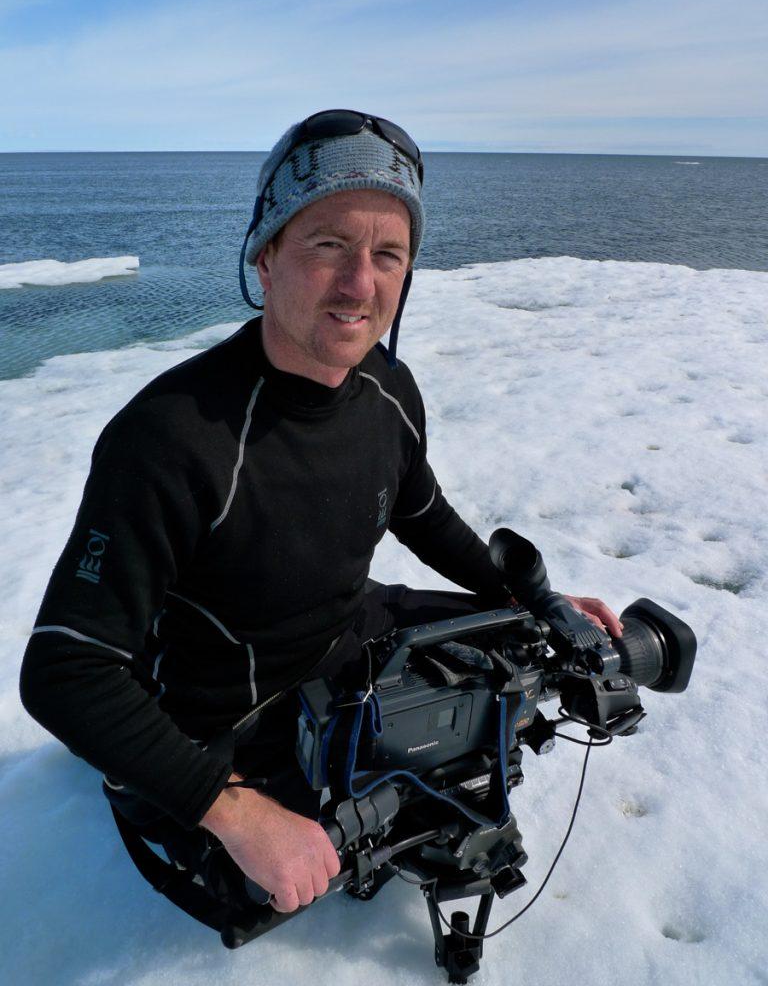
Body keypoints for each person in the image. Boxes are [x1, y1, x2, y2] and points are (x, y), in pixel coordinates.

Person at [20, 109, 622, 922]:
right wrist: (234, 813)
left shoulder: (387, 390)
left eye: (387, 254)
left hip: (343, 632)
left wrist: (532, 600)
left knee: (528, 657)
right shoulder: (171, 438)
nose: (359, 284)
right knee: (276, 885)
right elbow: (65, 671)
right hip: (218, 713)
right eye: (329, 246)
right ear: (264, 256)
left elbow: (422, 511)